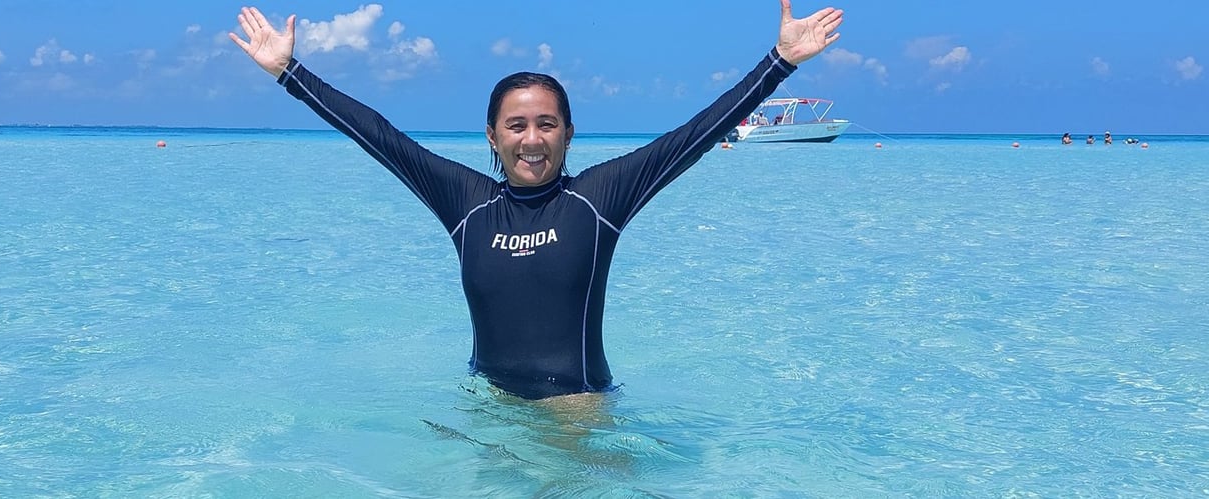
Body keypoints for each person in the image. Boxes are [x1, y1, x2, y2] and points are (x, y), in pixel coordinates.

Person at [229, 2, 843, 400]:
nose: (531, 140)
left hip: (575, 412)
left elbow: (697, 134)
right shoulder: (465, 203)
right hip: (487, 403)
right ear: (492, 136)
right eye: (516, 126)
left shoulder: (599, 200)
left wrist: (781, 61)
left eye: (547, 124)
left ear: (568, 135)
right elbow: (380, 138)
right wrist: (290, 73)